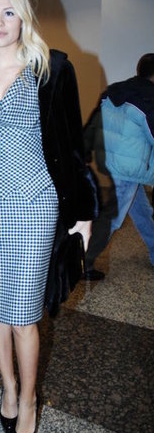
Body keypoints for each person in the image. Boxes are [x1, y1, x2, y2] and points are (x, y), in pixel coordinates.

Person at [0, 0, 95, 433]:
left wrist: (82, 213)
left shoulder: (51, 69)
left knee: (22, 314)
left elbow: (73, 146)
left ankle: (30, 400)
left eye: (9, 12)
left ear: (24, 19)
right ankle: (10, 389)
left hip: (33, 204)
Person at [83, 53, 154, 279]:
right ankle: (83, 263)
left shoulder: (114, 90)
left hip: (115, 163)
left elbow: (94, 121)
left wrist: (84, 150)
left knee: (143, 213)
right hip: (129, 168)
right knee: (111, 219)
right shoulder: (149, 97)